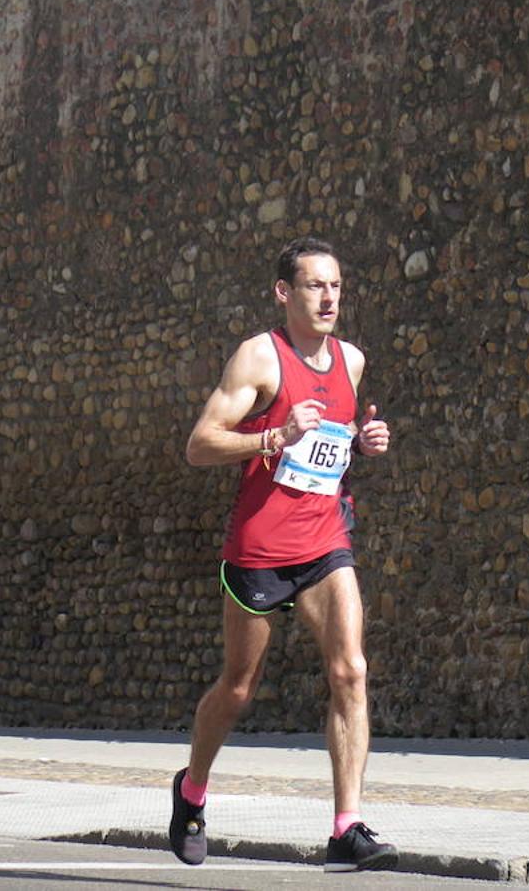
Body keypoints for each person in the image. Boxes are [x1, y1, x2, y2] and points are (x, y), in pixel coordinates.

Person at [169, 237, 397, 873]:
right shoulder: (258, 360)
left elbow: (334, 442)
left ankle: (345, 828)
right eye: (314, 287)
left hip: (325, 540)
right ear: (284, 293)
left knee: (350, 670)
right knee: (239, 689)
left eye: (336, 287)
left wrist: (364, 441)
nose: (329, 299)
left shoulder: (350, 361)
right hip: (261, 547)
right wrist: (271, 434)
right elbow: (200, 445)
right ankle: (191, 792)